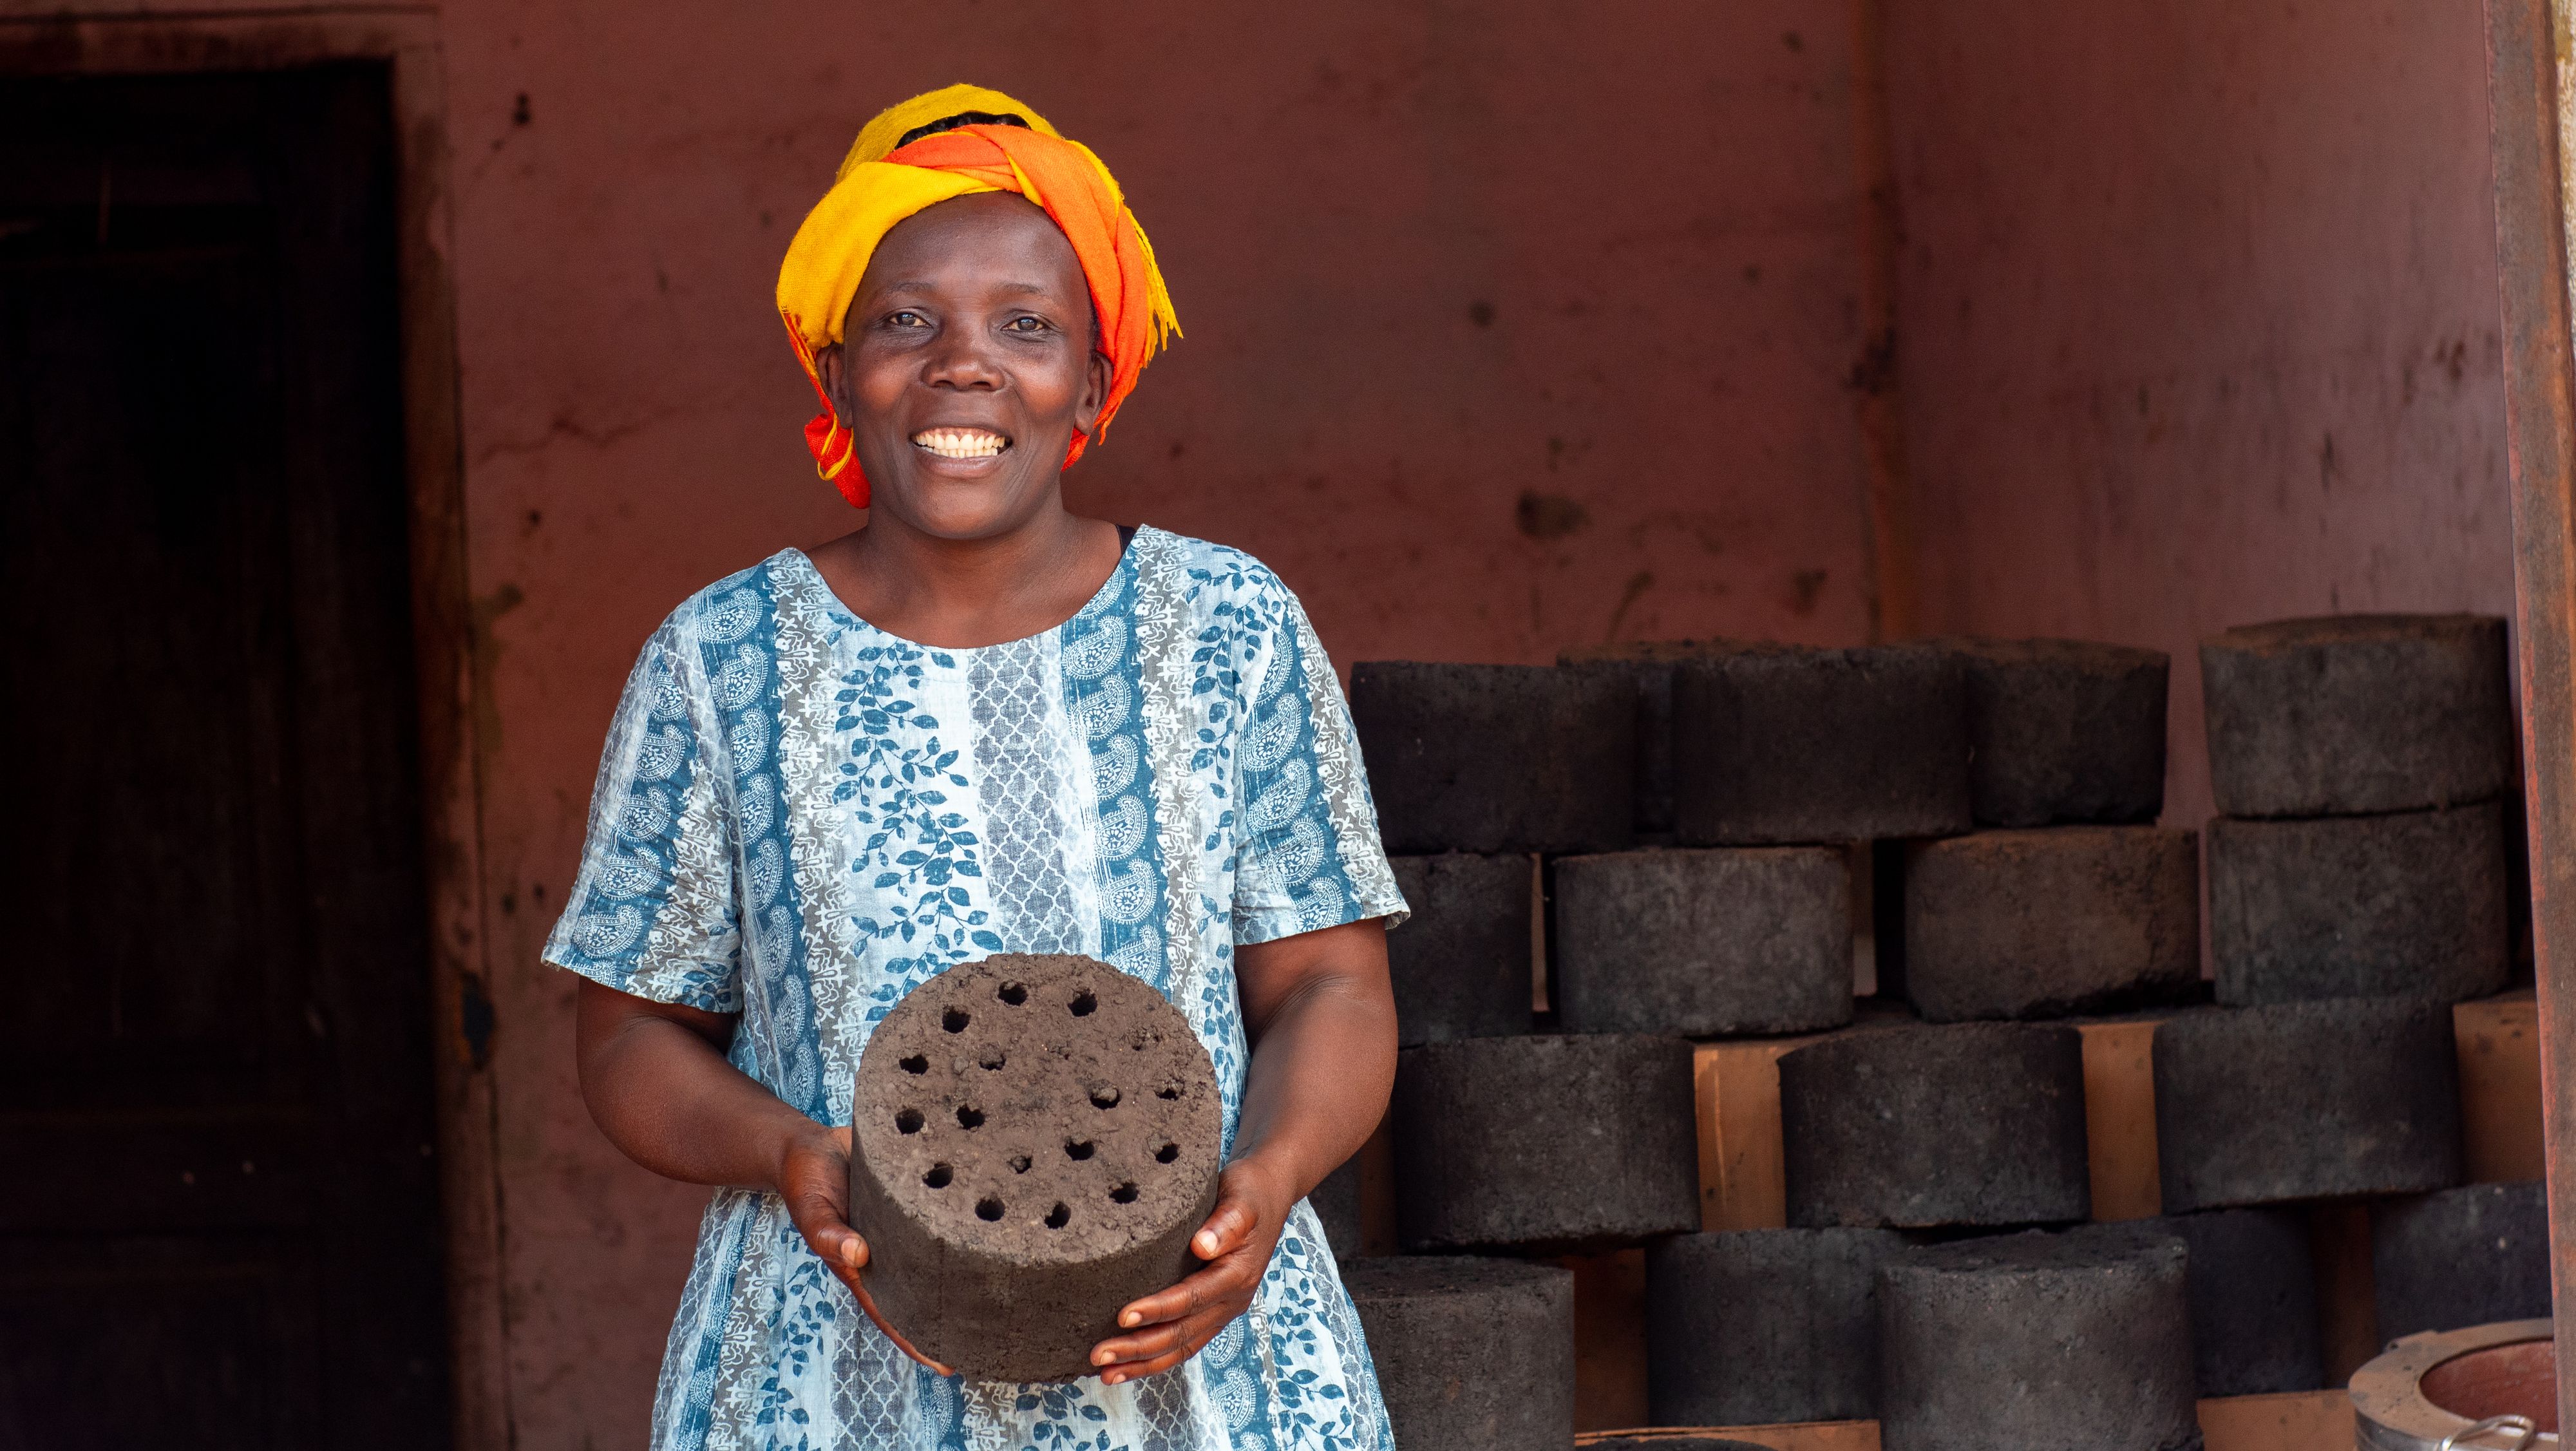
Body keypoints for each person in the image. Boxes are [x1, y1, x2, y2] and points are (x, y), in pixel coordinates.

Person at [548, 84, 1409, 1450]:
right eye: (906, 322)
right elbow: (628, 1035)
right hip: (825, 1379)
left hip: (1199, 1370)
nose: (964, 365)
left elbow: (1330, 984)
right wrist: (789, 1153)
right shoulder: (717, 659)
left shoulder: (1227, 626)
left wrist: (1264, 1186)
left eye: (1027, 324)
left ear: (1094, 381)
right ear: (838, 371)